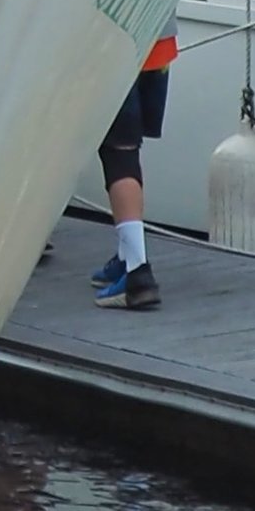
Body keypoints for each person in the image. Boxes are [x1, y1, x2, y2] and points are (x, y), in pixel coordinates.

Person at [91, 32, 177, 311]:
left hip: (108, 44)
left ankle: (137, 271)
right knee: (128, 148)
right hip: (158, 43)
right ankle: (127, 256)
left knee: (118, 153)